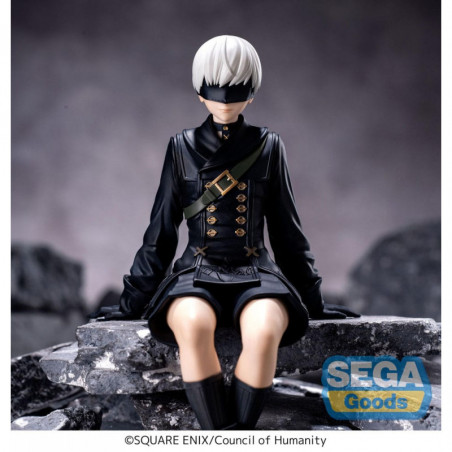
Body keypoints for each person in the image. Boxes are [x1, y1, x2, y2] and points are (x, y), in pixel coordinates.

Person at [96, 35, 357, 430]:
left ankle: (237, 436)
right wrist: (132, 300)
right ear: (199, 92)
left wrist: (313, 299)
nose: (224, 101)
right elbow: (161, 229)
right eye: (215, 89)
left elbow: (287, 230)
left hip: (256, 272)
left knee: (264, 329)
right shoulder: (180, 147)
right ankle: (220, 436)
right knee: (192, 324)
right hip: (196, 271)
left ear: (251, 94)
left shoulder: (268, 146)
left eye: (236, 90)